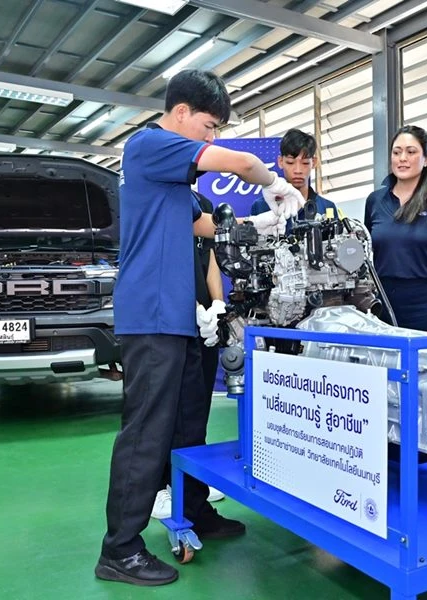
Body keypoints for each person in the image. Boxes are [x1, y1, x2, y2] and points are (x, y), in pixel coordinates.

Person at [97, 68, 305, 588]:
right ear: (181, 112)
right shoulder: (149, 145)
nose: (211, 136)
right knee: (147, 430)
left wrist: (263, 222)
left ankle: (194, 508)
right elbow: (241, 163)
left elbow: (202, 225)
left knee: (188, 421)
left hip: (179, 316)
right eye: (209, 126)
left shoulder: (174, 178)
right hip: (151, 314)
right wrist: (276, 184)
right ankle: (119, 549)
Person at [151, 191, 226, 520]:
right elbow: (162, 262)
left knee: (197, 406)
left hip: (203, 320)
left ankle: (192, 480)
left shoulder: (202, 204)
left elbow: (209, 258)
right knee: (168, 407)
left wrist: (217, 304)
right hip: (170, 318)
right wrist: (190, 307)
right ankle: (159, 486)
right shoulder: (159, 197)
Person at [363, 125, 427, 333]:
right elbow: (369, 248)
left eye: (411, 152)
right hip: (385, 300)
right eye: (396, 152)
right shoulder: (375, 201)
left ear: (426, 159)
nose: (402, 158)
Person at [249, 128, 338, 232]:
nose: (298, 170)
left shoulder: (327, 208)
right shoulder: (260, 206)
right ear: (280, 161)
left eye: (305, 163)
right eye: (290, 163)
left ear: (314, 163)